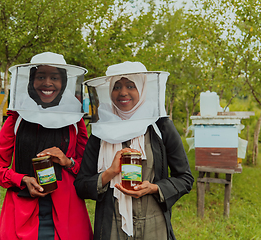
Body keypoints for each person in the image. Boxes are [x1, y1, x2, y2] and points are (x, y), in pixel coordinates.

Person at [74, 61, 194, 240]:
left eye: (131, 86)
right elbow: (81, 185)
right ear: (109, 91)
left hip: (154, 227)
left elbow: (185, 178)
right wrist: (110, 173)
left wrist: (153, 188)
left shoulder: (160, 127)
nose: (123, 92)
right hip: (111, 227)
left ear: (143, 88)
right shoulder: (101, 131)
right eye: (116, 86)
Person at [0, 52, 93, 240]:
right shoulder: (16, 119)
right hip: (22, 211)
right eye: (41, 76)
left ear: (64, 82)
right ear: (30, 81)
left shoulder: (75, 121)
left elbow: (87, 167)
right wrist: (22, 180)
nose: (47, 83)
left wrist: (68, 162)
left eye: (55, 77)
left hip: (68, 214)